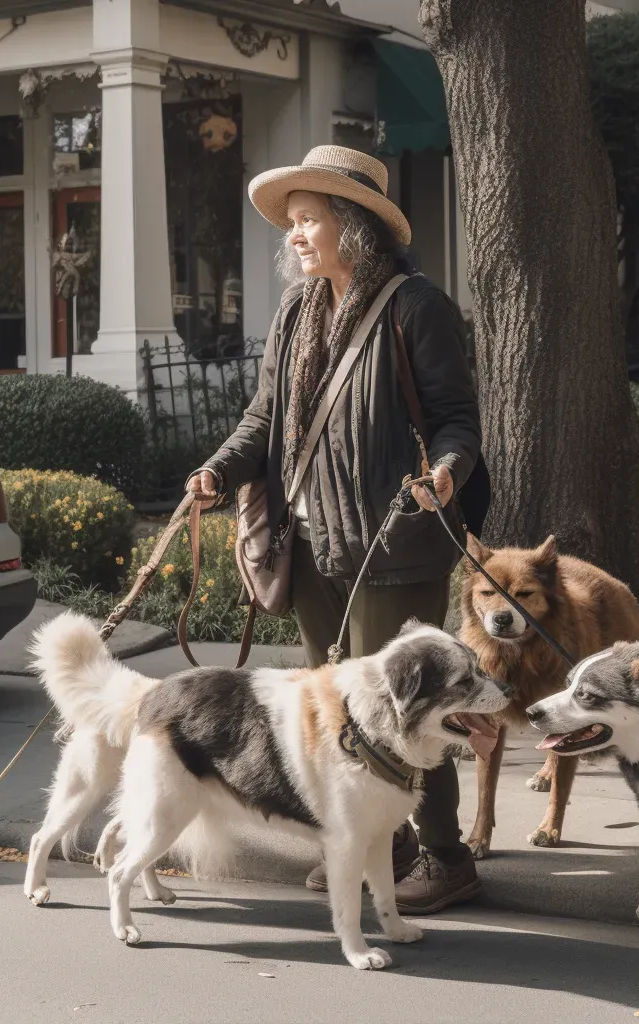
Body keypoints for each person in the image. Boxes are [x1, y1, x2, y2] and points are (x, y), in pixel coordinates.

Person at [186, 145, 483, 914]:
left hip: (395, 545)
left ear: (352, 225)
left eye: (309, 218)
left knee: (411, 709)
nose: (295, 235)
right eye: (292, 222)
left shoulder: (417, 307)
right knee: (341, 715)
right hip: (310, 545)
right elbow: (265, 419)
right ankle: (387, 846)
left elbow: (457, 419)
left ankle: (449, 857)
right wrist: (218, 471)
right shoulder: (296, 310)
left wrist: (446, 470)